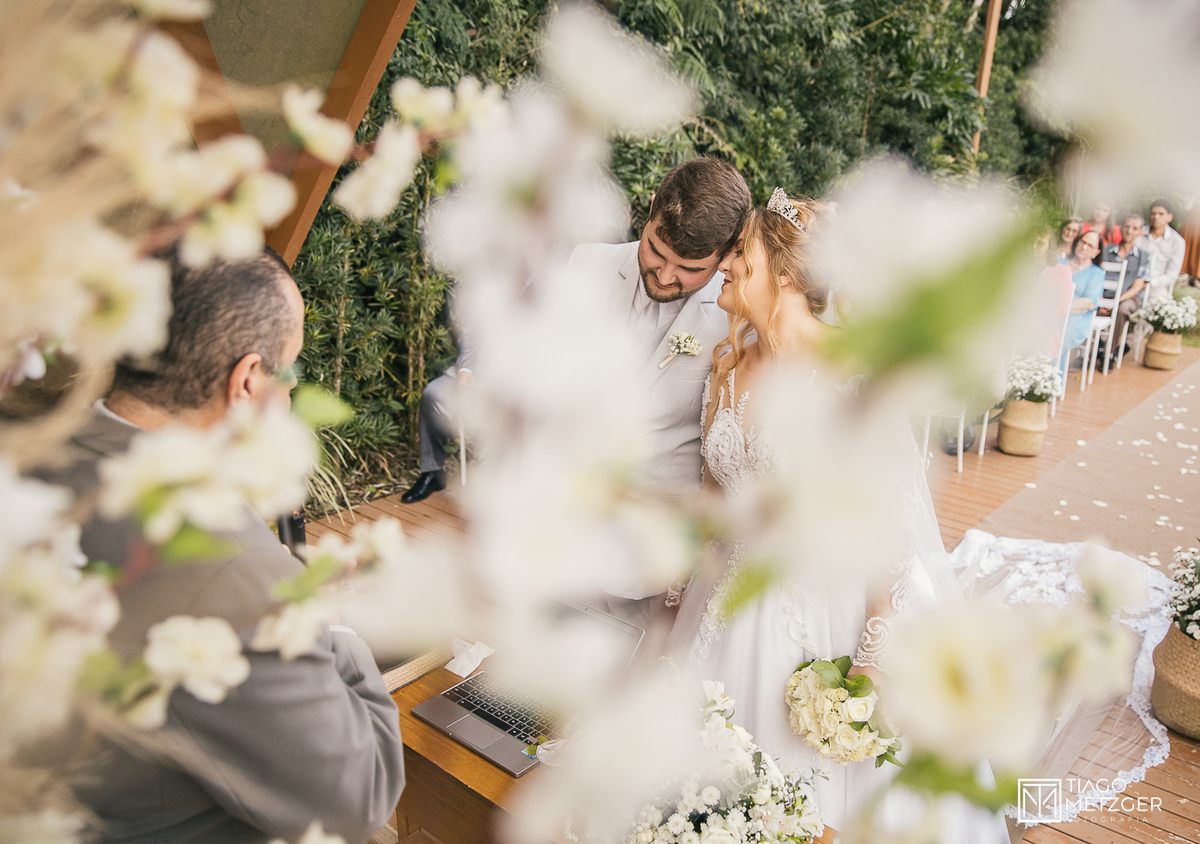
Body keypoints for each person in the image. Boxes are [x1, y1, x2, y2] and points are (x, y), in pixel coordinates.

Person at [664, 189, 1005, 839]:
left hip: (828, 612)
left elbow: (893, 521)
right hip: (729, 601)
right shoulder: (727, 367)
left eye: (741, 254)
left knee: (815, 795)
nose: (726, 266)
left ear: (785, 274)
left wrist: (872, 655)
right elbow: (714, 490)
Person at [36, 251, 405, 844]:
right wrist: (327, 628)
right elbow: (357, 801)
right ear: (248, 381)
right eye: (291, 373)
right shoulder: (234, 579)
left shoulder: (36, 453)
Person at [565, 156, 751, 640]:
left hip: (655, 568)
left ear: (728, 254)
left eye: (690, 268)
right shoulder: (583, 265)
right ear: (650, 209)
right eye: (656, 251)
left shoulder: (739, 322)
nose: (665, 275)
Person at [401, 303, 474, 504]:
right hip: (475, 375)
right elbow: (470, 337)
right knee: (434, 393)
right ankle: (433, 472)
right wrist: (466, 371)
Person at [1101, 215, 1151, 361]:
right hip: (1104, 295)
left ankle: (1108, 353)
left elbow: (1137, 287)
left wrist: (1115, 302)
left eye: (1135, 228)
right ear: (1121, 228)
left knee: (1122, 309)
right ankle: (1088, 350)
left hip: (1128, 297)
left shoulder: (1144, 256)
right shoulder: (1106, 250)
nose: (1129, 231)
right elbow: (1096, 276)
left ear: (1140, 232)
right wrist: (1102, 300)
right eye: (1127, 226)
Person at [1056, 230, 1105, 377]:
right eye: (1083, 242)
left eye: (1090, 245)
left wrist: (1058, 308)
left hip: (1074, 319)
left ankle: (1049, 383)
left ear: (1096, 252)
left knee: (1056, 336)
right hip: (1049, 313)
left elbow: (1088, 303)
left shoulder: (1096, 273)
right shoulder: (1059, 262)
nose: (1084, 247)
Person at [1136, 199, 1185, 299]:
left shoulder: (1177, 241)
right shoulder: (1139, 234)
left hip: (1157, 287)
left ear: (1170, 217)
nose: (1156, 217)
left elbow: (1172, 275)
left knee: (1159, 309)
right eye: (1153, 213)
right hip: (1134, 282)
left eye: (1161, 214)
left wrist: (1150, 283)